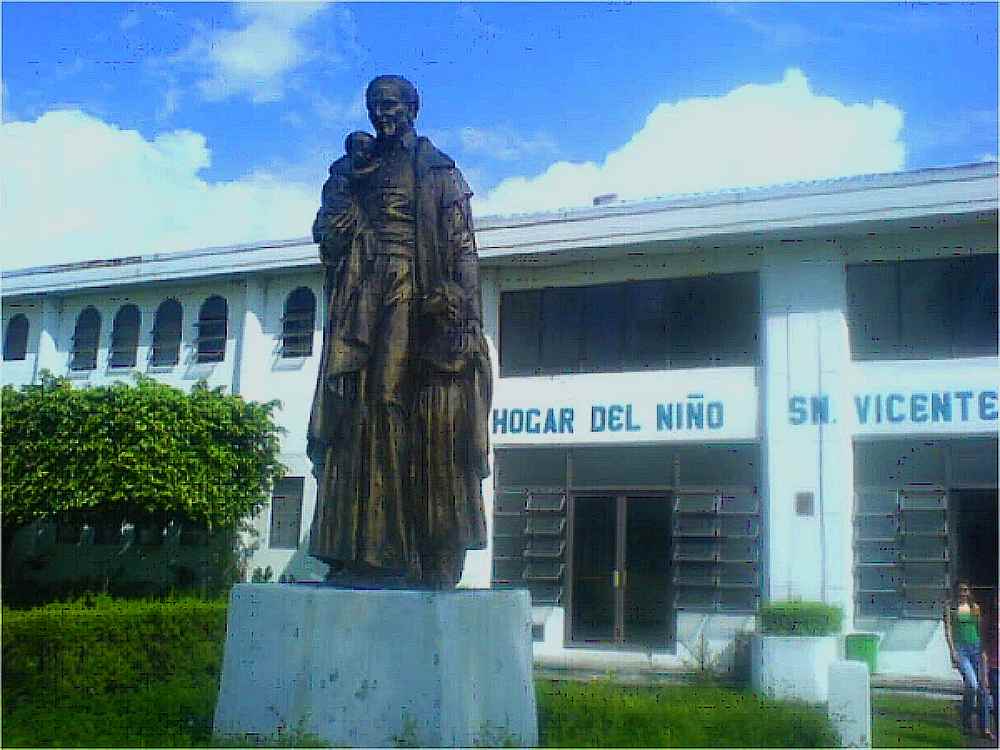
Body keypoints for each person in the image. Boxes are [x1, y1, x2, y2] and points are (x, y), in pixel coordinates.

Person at [307, 75, 491, 589]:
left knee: (401, 407)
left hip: (417, 294)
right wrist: (338, 225)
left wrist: (462, 309)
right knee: (355, 412)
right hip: (362, 295)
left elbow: (463, 247)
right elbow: (325, 226)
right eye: (374, 106)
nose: (382, 113)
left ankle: (412, 547)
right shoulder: (349, 168)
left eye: (391, 104)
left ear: (413, 107)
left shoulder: (436, 169)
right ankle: (358, 547)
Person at [944, 580, 993, 739]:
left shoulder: (975, 608)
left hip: (976, 648)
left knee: (982, 688)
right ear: (956, 591)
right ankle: (966, 721)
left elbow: (980, 629)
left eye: (965, 590)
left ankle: (983, 726)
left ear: (969, 592)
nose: (963, 593)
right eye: (960, 590)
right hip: (962, 650)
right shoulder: (950, 608)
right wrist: (953, 651)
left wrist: (984, 650)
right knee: (972, 685)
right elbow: (948, 631)